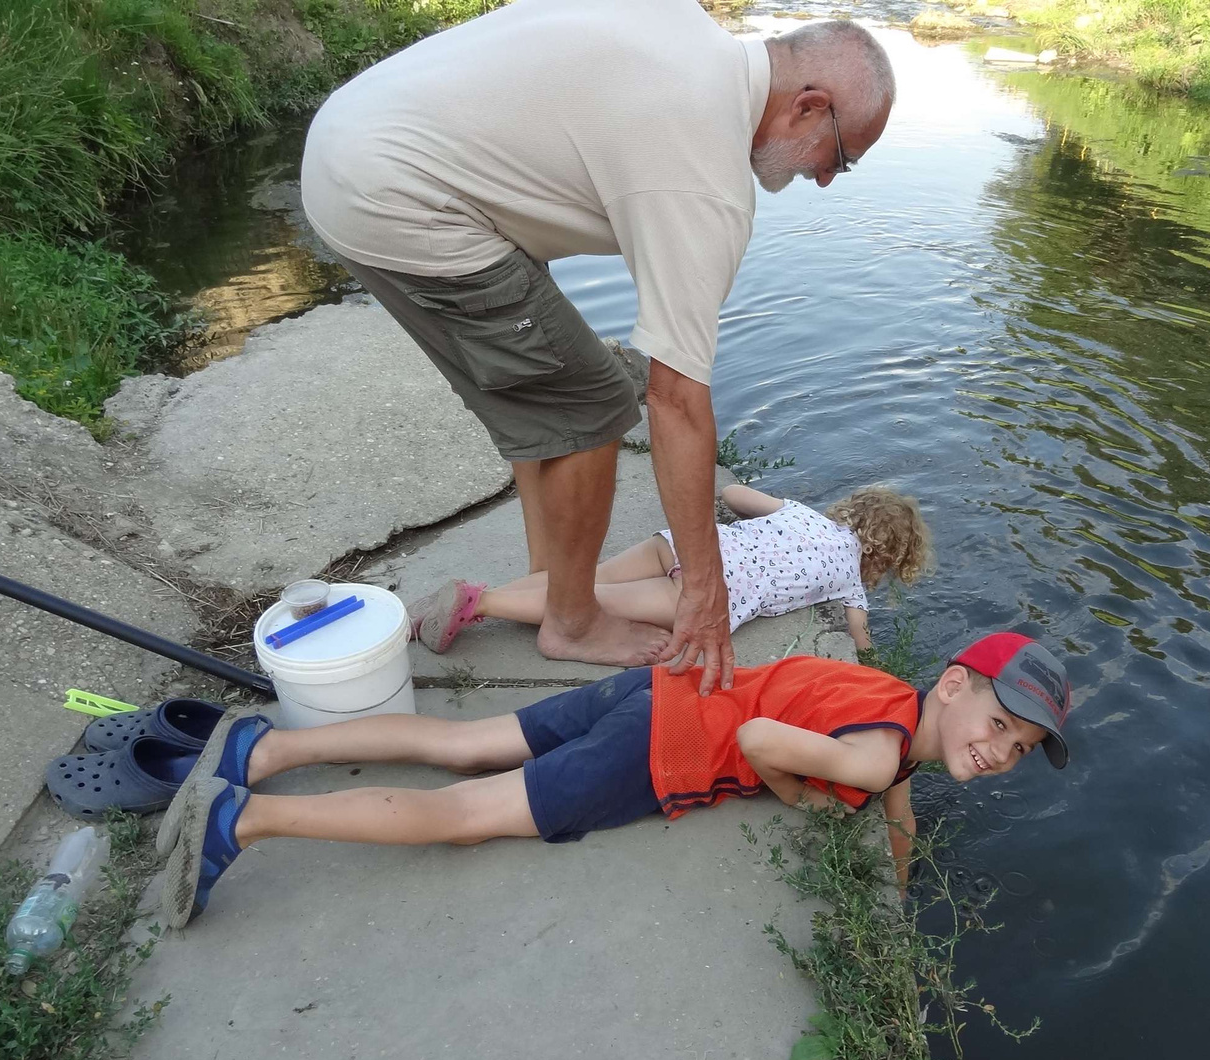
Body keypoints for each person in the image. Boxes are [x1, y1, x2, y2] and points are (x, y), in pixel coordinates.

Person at [299, 2, 896, 691]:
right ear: (807, 108)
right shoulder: (707, 179)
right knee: (594, 402)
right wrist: (705, 590)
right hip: (400, 197)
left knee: (545, 383)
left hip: (354, 137)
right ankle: (572, 622)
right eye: (840, 157)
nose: (824, 178)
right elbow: (675, 400)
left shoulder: (684, 28)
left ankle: (550, 582)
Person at [156, 633, 1072, 928]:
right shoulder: (874, 759)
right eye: (999, 724)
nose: (999, 751)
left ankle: (264, 751)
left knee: (469, 742)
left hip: (655, 691)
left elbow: (895, 802)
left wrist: (899, 882)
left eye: (1020, 748)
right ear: (953, 685)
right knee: (463, 814)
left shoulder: (888, 708)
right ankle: (245, 821)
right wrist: (800, 800)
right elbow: (762, 740)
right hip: (654, 755)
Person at [407, 484, 932, 655]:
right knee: (593, 606)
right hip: (711, 589)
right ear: (884, 559)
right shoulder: (847, 576)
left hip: (688, 545)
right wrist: (870, 651)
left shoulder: (802, 514)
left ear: (851, 513)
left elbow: (729, 492)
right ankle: (480, 603)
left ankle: (479, 595)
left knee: (585, 580)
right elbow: (860, 641)